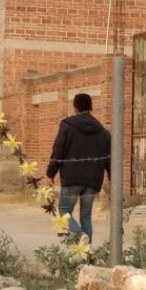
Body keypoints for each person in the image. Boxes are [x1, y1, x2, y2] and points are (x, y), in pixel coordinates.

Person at [46, 93, 111, 244]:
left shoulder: (67, 126)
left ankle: (79, 234)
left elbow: (58, 150)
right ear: (91, 107)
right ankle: (87, 253)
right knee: (86, 216)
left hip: (72, 178)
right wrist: (112, 178)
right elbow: (109, 158)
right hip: (93, 181)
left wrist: (51, 173)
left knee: (64, 210)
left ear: (75, 107)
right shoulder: (103, 132)